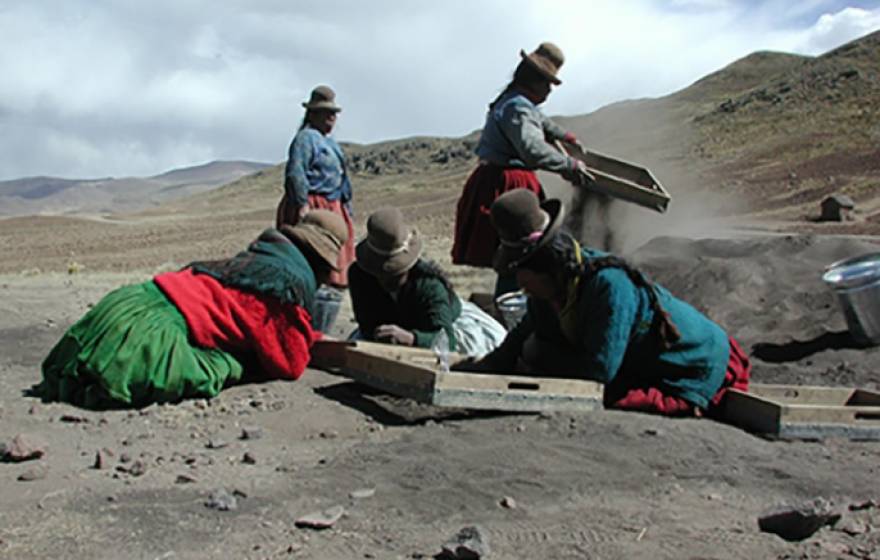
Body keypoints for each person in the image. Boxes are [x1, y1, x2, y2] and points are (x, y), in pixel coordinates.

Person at [464, 190, 750, 417]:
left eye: (523, 274)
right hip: (639, 363)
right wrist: (485, 368)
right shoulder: (548, 291)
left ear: (545, 267)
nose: (522, 285)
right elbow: (524, 334)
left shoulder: (608, 286)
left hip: (694, 363)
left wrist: (542, 357)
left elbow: (599, 370)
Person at [37, 211, 349, 409]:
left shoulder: (259, 262)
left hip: (126, 305)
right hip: (147, 336)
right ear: (317, 261)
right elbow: (289, 363)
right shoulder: (285, 287)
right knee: (224, 365)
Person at [451, 42, 594, 297]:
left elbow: (541, 121)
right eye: (547, 83)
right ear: (533, 80)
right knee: (520, 250)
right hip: (509, 184)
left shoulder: (514, 101)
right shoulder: (517, 107)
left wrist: (565, 136)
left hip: (497, 180)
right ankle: (514, 305)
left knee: (519, 252)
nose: (549, 90)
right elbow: (532, 149)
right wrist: (569, 165)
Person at [348, 208, 507, 358]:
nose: (385, 279)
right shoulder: (360, 276)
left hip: (446, 331)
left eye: (394, 273)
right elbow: (367, 324)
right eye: (379, 272)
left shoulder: (429, 284)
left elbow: (446, 340)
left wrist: (412, 338)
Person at [276, 85, 355, 288]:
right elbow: (296, 171)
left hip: (333, 205)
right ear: (313, 114)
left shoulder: (331, 144)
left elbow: (343, 178)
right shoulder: (305, 139)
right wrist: (302, 204)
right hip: (313, 205)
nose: (331, 118)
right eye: (326, 113)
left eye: (333, 113)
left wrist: (346, 207)